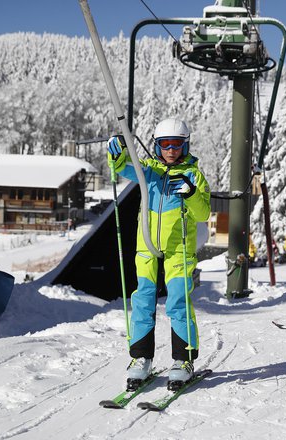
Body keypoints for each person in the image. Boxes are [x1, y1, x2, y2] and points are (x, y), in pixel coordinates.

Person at [106, 118, 211, 390]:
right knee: (142, 299)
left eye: (177, 144)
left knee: (178, 300)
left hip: (180, 247)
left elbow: (203, 213)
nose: (171, 150)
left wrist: (189, 193)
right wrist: (117, 152)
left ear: (185, 145)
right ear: (157, 145)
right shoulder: (149, 171)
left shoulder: (194, 176)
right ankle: (141, 358)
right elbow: (123, 168)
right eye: (165, 144)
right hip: (148, 243)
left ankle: (183, 360)